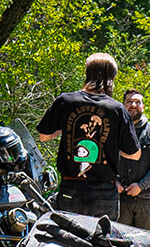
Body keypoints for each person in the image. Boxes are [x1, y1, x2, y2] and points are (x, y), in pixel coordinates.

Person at [37, 53, 140, 220]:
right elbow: (134, 154)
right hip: (104, 192)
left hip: (70, 186)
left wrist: (69, 128)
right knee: (100, 242)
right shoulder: (117, 109)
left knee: (67, 241)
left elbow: (43, 136)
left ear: (87, 74)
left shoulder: (65, 101)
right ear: (112, 78)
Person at [117, 89, 150, 230]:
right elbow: (105, 161)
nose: (133, 105)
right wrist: (114, 182)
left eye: (138, 102)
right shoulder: (115, 131)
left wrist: (141, 186)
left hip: (145, 200)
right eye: (129, 101)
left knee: (147, 245)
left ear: (143, 107)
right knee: (117, 245)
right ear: (123, 105)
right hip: (119, 199)